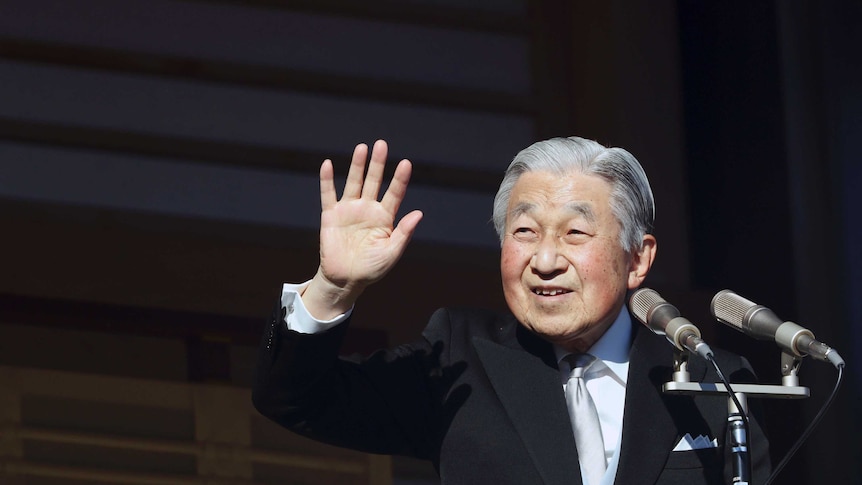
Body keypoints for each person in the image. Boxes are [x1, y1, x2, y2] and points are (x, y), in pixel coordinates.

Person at [253, 137, 770, 485]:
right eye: (524, 232)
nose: (544, 261)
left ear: (638, 258)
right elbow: (297, 401)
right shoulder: (459, 357)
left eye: (575, 233)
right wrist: (332, 287)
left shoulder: (713, 379)